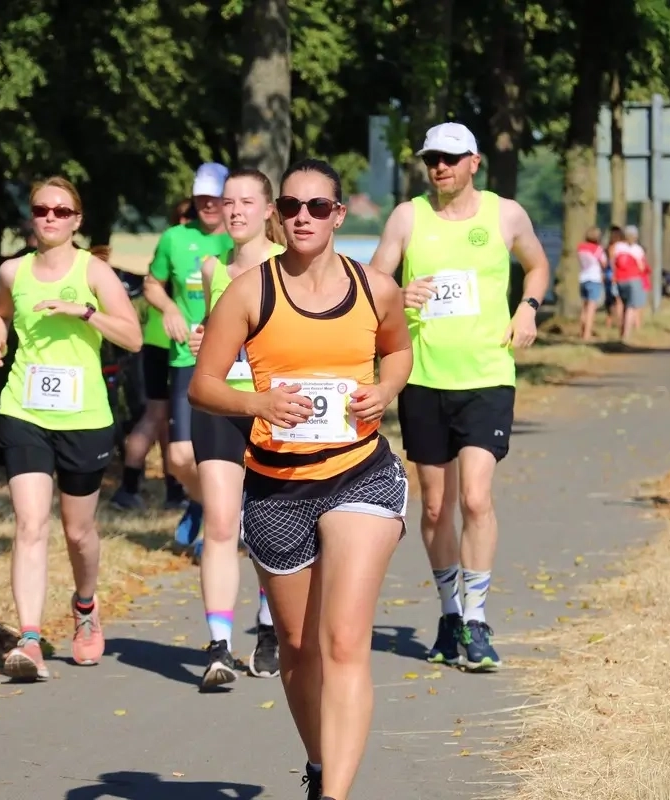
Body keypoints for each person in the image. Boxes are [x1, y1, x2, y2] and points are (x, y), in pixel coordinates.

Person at [189, 158, 412, 800]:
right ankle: (320, 765)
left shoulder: (375, 288)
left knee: (343, 641)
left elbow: (399, 350)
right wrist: (256, 403)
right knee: (296, 647)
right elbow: (203, 385)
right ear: (277, 216)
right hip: (277, 488)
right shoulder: (249, 293)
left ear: (338, 214)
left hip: (360, 473)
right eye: (291, 206)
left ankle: (335, 795)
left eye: (318, 206)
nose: (303, 217)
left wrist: (385, 390)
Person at [369, 122, 550, 673]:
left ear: (474, 161)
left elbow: (537, 265)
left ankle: (477, 618)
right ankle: (450, 613)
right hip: (423, 377)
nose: (440, 168)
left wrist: (528, 309)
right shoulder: (408, 217)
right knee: (433, 506)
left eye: (450, 158)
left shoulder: (505, 214)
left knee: (474, 498)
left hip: (487, 375)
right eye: (432, 159)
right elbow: (372, 285)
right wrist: (399, 293)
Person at [0, 176, 142, 681]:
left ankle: (86, 606)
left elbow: (133, 337)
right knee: (30, 524)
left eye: (61, 211)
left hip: (84, 417)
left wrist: (85, 311)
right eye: (41, 210)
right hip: (24, 410)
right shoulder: (13, 271)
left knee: (78, 532)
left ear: (77, 220)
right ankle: (29, 640)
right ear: (31, 217)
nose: (50, 218)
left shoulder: (94, 271)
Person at [186, 169, 285, 687]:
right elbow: (215, 331)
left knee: (269, 525)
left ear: (268, 210)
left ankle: (269, 628)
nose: (236, 211)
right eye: (228, 202)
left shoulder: (288, 265)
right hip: (222, 405)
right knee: (221, 523)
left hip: (274, 408)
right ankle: (219, 646)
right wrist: (204, 337)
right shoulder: (212, 267)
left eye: (247, 202)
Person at [142, 164, 234, 548]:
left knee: (227, 452)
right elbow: (152, 284)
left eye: (215, 197)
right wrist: (169, 309)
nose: (208, 204)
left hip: (236, 361)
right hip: (186, 356)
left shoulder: (241, 239)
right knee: (180, 456)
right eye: (201, 197)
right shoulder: (175, 238)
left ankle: (220, 523)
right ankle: (204, 503)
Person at [109, 198, 196, 512]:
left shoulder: (170, 245)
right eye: (186, 216)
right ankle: (133, 486)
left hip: (158, 340)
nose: (189, 221)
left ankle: (165, 490)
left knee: (161, 417)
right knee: (159, 416)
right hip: (170, 343)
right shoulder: (183, 249)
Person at [610, 224, 648, 340]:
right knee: (631, 307)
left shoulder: (617, 247)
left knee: (621, 304)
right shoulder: (638, 249)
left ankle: (620, 328)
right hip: (633, 279)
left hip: (619, 279)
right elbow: (642, 267)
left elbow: (612, 262)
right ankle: (626, 333)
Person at [577, 227, 607, 339]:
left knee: (584, 306)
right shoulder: (598, 249)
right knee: (591, 307)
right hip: (594, 278)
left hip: (583, 277)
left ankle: (582, 331)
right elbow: (604, 263)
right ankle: (587, 334)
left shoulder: (581, 247)